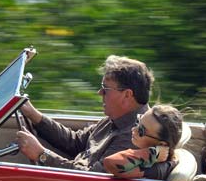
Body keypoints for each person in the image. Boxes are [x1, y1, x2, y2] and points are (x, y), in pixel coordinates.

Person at [15, 55, 153, 172]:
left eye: (105, 89)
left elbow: (92, 178)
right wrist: (32, 114)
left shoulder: (135, 136)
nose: (100, 93)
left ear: (127, 95)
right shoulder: (114, 119)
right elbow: (75, 142)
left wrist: (42, 155)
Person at [102, 103, 185, 181]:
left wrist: (152, 153)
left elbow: (110, 163)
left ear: (161, 145)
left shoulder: (157, 169)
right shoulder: (152, 161)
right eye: (138, 121)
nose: (134, 129)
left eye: (141, 130)